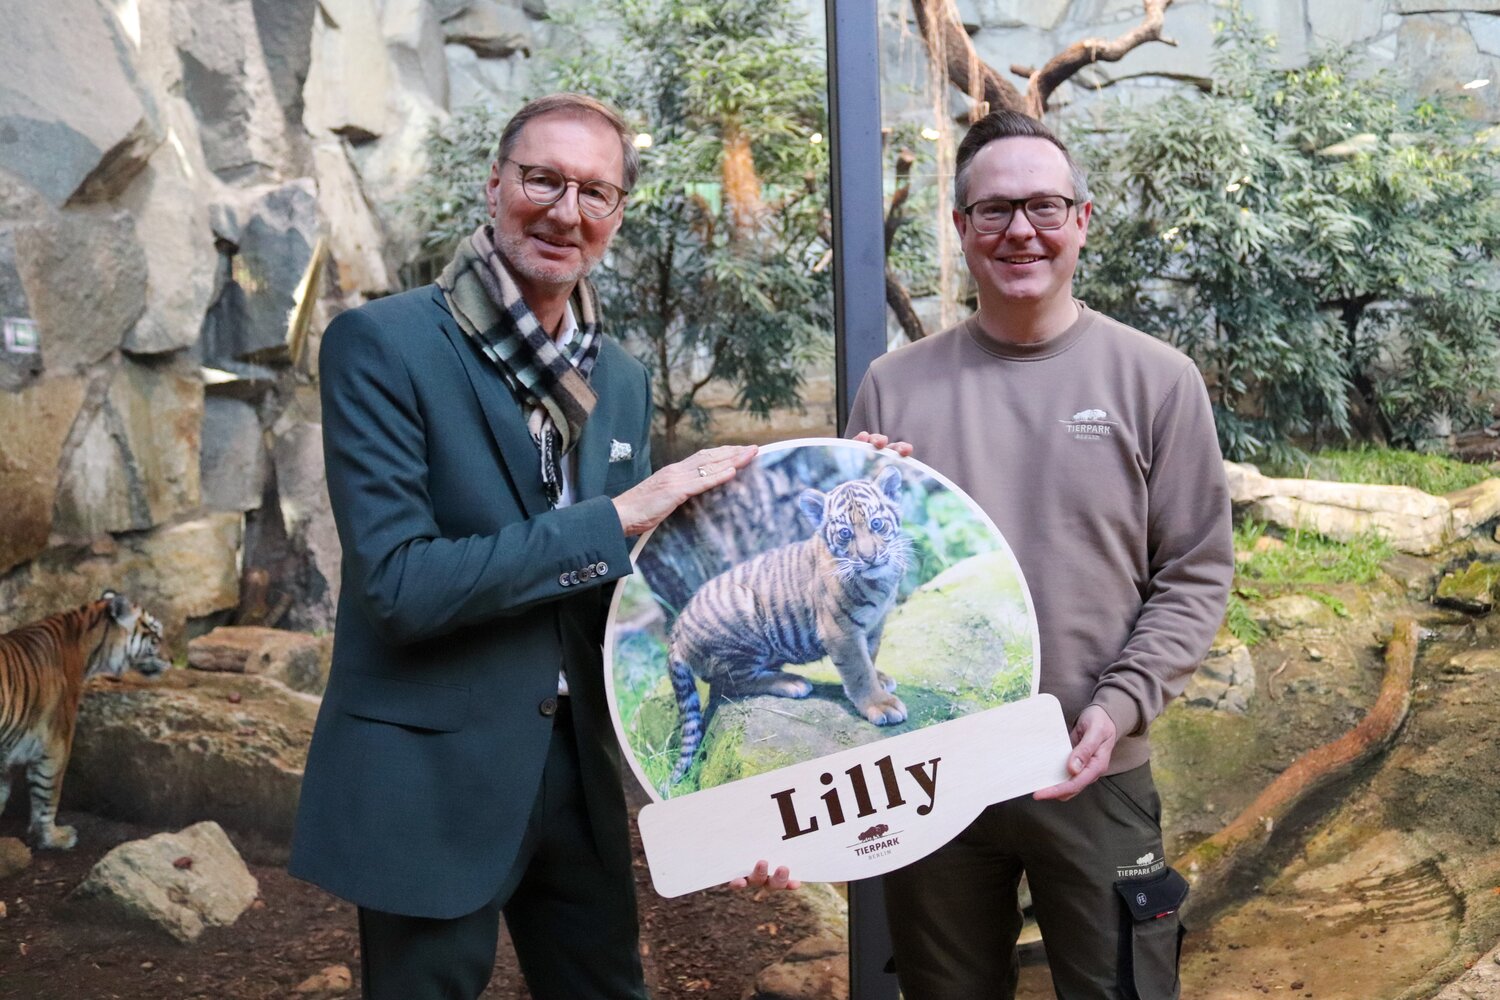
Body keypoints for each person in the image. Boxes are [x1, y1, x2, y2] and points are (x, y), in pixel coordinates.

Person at [288, 93, 789, 1000]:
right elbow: (401, 585)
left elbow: (656, 582)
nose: (566, 212)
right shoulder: (383, 347)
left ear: (617, 216)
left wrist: (857, 488)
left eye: (595, 192)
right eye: (543, 180)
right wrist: (615, 519)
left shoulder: (621, 378)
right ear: (494, 186)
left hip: (581, 768)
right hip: (431, 767)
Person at [847, 109, 1234, 998]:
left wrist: (1126, 701)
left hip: (1093, 765)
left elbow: (1196, 570)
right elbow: (858, 576)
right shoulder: (893, 385)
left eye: (1046, 207)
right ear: (961, 229)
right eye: (995, 210)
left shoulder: (1156, 380)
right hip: (934, 772)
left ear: (1082, 222)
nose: (1021, 230)